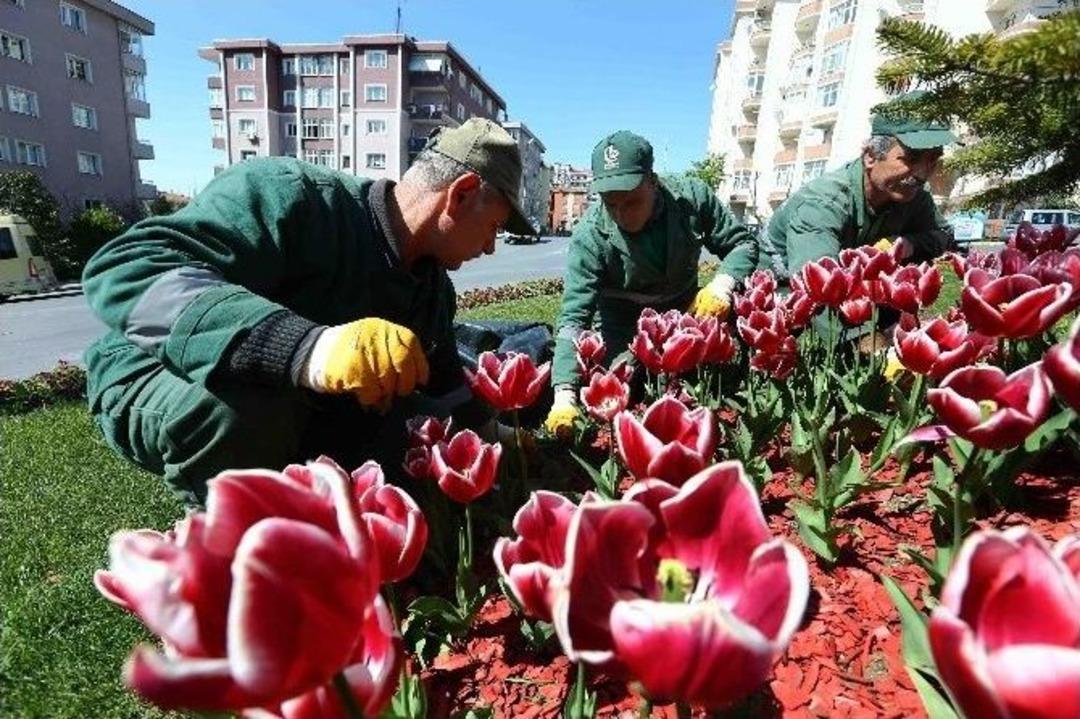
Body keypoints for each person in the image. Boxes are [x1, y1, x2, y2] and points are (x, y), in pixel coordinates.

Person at [82, 118, 533, 504]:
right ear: (461, 193)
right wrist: (307, 347)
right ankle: (231, 552)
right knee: (251, 404)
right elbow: (126, 269)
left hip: (304, 406)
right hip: (157, 372)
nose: (491, 247)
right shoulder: (289, 196)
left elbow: (447, 388)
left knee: (401, 438)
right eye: (492, 226)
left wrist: (502, 437)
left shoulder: (431, 286)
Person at [544, 130, 759, 435]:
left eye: (631, 201)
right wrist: (563, 396)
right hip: (623, 324)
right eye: (610, 203)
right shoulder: (589, 236)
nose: (620, 214)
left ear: (652, 181)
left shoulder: (692, 200)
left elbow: (742, 245)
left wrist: (721, 286)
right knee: (620, 391)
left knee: (708, 388)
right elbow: (573, 318)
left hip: (685, 313)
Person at [759, 94, 957, 282]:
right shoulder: (823, 203)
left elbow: (945, 237)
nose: (922, 174)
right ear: (870, 156)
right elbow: (818, 288)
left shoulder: (913, 195)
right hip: (775, 293)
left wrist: (909, 244)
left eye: (933, 160)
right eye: (911, 158)